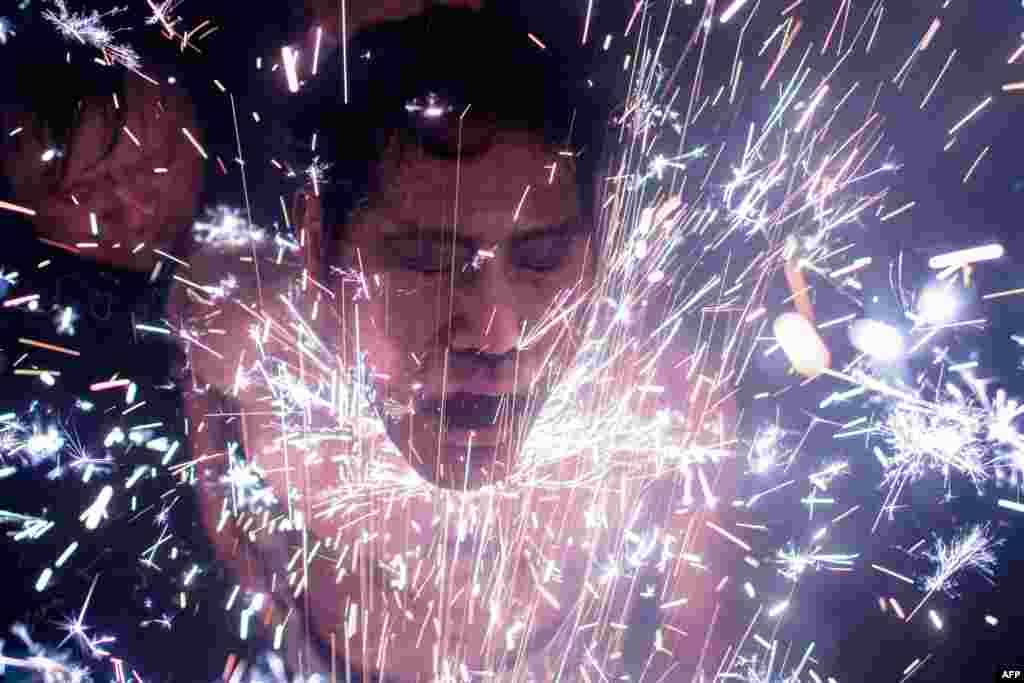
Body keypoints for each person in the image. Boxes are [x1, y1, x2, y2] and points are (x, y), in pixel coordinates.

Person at [174, 4, 734, 682]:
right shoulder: (237, 329)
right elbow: (217, 487)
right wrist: (270, 610)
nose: (496, 334)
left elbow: (695, 643)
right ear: (320, 247)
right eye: (423, 259)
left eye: (541, 256)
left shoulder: (665, 399)